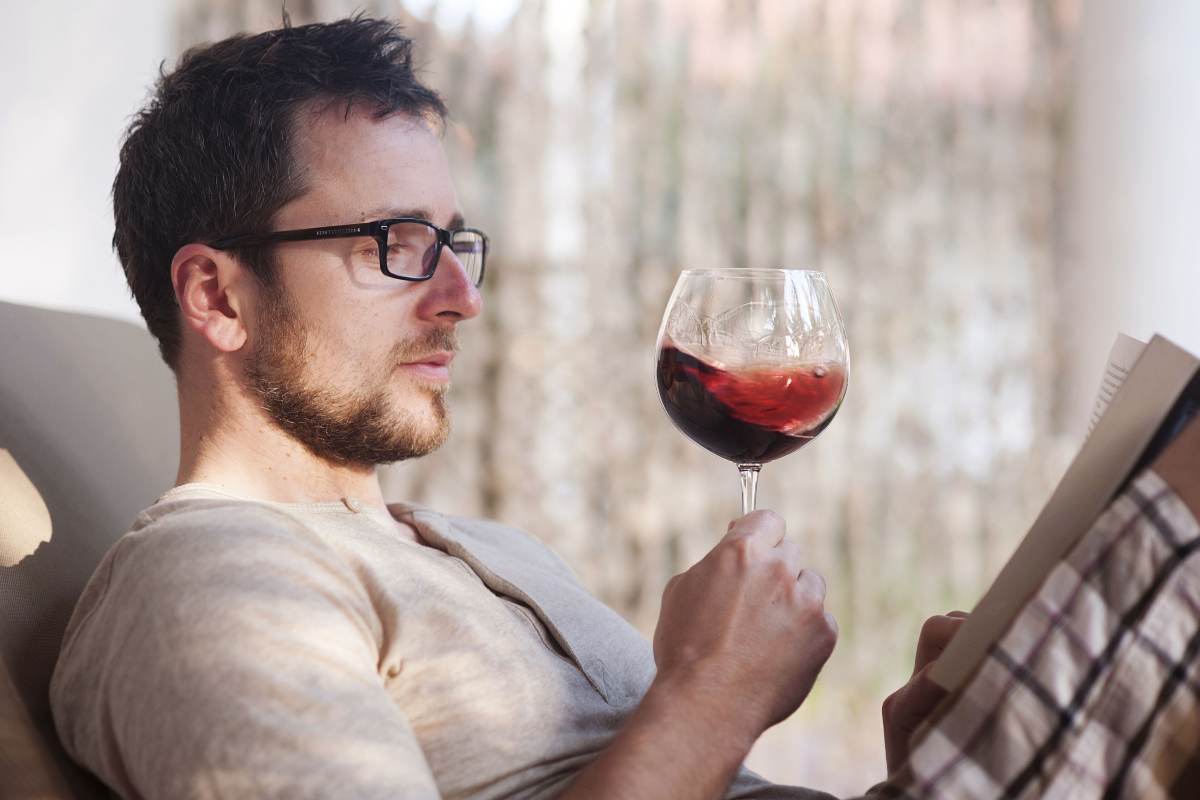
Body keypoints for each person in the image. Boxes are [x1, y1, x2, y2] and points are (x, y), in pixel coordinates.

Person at [47, 16, 958, 799]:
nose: (459, 297)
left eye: (454, 242)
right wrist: (713, 694)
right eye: (395, 245)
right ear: (217, 297)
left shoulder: (486, 550)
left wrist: (926, 763)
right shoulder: (213, 581)